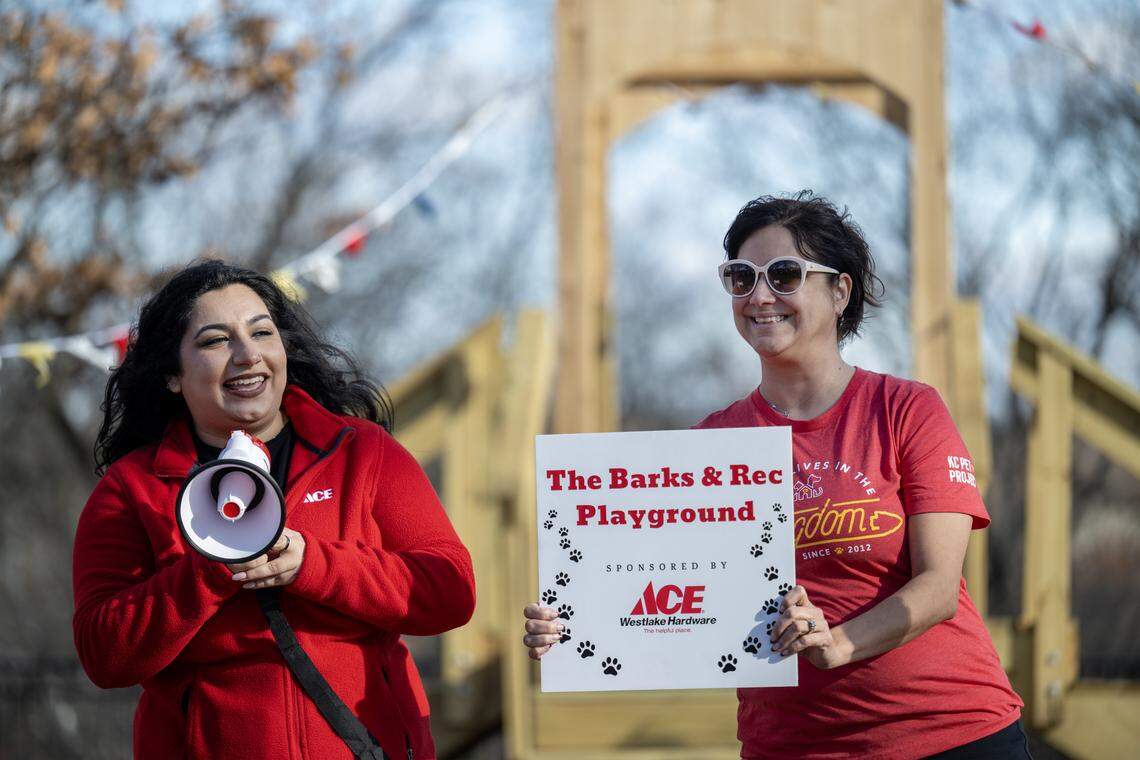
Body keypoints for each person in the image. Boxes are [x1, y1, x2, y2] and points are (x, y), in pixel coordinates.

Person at [522, 192, 1030, 759]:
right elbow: (645, 585)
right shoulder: (708, 446)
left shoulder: (907, 409)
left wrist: (837, 643)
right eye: (741, 277)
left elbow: (938, 589)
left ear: (841, 291)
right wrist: (573, 627)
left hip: (952, 734)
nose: (760, 296)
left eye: (785, 275)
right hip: (790, 746)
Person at [73, 260, 476, 760]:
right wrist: (210, 569)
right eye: (215, 341)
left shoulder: (363, 453)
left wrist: (314, 564)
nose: (247, 356)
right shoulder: (131, 488)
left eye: (261, 333)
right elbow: (104, 655)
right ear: (172, 376)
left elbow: (451, 590)